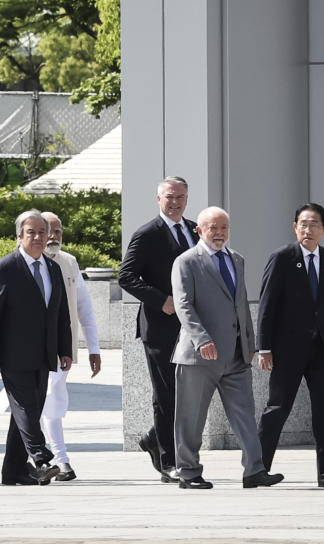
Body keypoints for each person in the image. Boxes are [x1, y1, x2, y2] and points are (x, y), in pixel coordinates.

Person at [170, 207, 284, 490]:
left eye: (223, 228)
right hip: (199, 356)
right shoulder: (186, 262)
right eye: (213, 228)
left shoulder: (237, 259)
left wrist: (250, 342)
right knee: (191, 417)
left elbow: (241, 304)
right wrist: (202, 338)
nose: (219, 233)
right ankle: (188, 472)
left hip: (235, 354)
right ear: (199, 230)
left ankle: (254, 470)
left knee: (245, 413)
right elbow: (183, 305)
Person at [0, 209, 73, 486]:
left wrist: (64, 349)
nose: (37, 237)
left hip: (44, 353)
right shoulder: (6, 268)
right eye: (30, 232)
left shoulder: (53, 268)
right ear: (19, 236)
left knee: (30, 410)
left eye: (42, 232)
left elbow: (61, 314)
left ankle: (13, 471)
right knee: (23, 407)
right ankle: (41, 458)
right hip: (13, 353)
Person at [256, 203, 324, 488]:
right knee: (278, 407)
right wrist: (264, 347)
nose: (308, 230)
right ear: (295, 227)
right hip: (286, 348)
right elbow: (267, 304)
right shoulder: (282, 257)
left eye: (314, 224)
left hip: (320, 349)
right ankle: (257, 468)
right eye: (303, 224)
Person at [118, 176, 198, 483]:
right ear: (158, 199)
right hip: (160, 327)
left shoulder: (195, 230)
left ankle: (154, 438)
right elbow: (127, 276)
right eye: (169, 197)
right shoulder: (147, 234)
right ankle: (169, 461)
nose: (175, 202)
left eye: (180, 197)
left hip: (192, 327)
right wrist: (160, 300)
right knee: (166, 393)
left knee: (186, 394)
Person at [40, 211, 102, 482]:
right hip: (26, 349)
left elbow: (84, 307)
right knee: (43, 402)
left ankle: (57, 460)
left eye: (58, 231)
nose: (53, 237)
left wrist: (94, 348)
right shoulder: (18, 262)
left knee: (52, 398)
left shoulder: (69, 262)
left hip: (61, 349)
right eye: (47, 231)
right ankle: (54, 459)